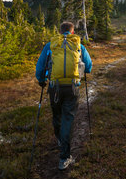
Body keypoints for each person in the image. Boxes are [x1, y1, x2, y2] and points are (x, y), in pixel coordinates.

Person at [35, 21, 92, 170]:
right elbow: (89, 67)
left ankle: (60, 140)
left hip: (54, 88)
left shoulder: (51, 45)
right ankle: (64, 158)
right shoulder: (79, 45)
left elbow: (40, 67)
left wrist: (41, 80)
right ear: (72, 32)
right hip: (72, 88)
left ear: (60, 32)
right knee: (68, 118)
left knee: (57, 115)